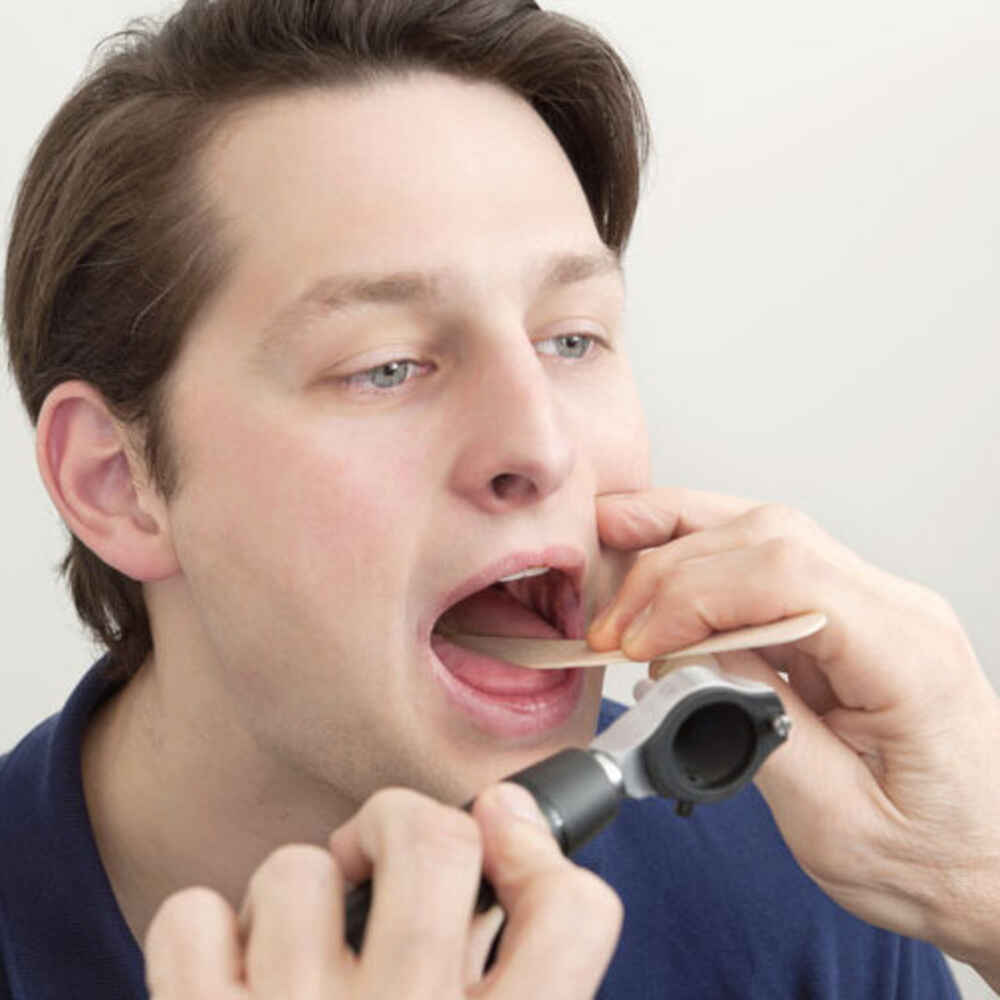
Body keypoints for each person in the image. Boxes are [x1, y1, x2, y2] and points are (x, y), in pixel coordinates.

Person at [0, 1, 994, 996]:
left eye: (571, 339)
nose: (542, 446)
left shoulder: (793, 864)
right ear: (115, 481)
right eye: (387, 366)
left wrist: (981, 883)